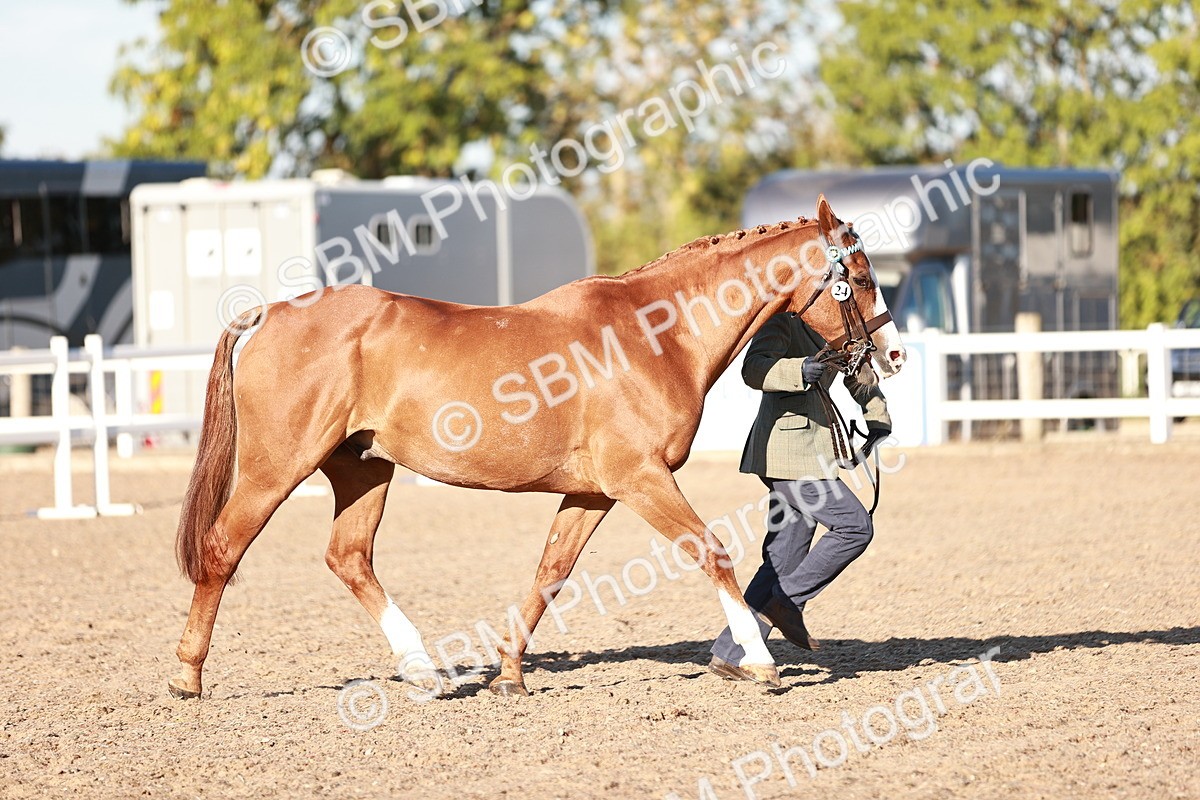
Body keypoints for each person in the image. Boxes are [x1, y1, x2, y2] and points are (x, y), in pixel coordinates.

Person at [709, 311, 891, 681]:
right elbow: (753, 368)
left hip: (811, 456)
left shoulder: (836, 323)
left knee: (784, 557)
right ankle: (786, 602)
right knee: (854, 527)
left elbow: (857, 370)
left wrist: (878, 418)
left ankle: (732, 651)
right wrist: (796, 370)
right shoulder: (782, 322)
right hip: (785, 452)